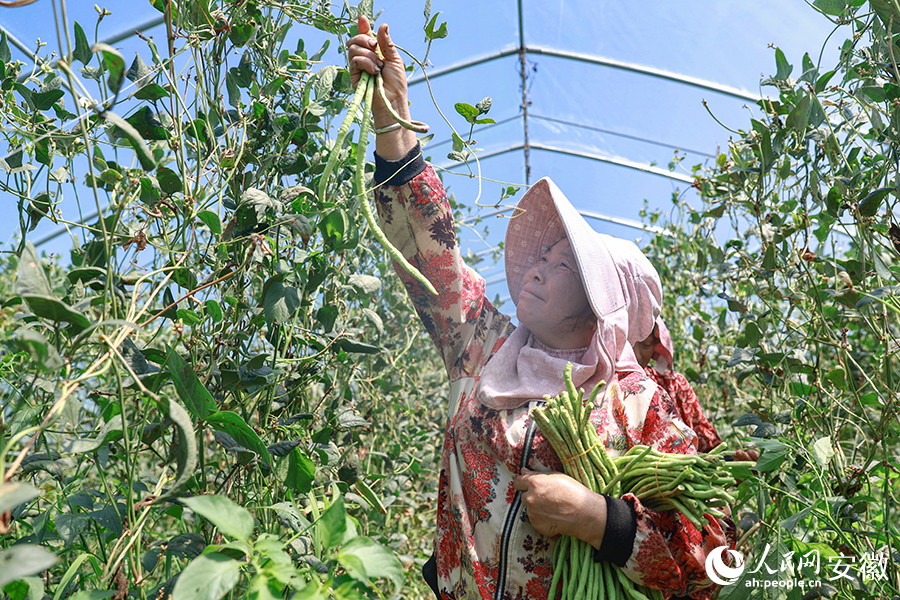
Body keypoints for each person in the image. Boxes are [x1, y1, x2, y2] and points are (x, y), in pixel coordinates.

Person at [347, 16, 735, 600]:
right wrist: (392, 115)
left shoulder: (636, 407)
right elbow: (432, 252)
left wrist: (598, 518)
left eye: (558, 265)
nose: (533, 268)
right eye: (540, 256)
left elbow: (714, 555)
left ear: (596, 313)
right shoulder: (485, 344)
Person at [633, 319, 759, 462]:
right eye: (626, 344)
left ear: (656, 346)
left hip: (685, 479)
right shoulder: (605, 389)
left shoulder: (673, 385)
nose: (635, 356)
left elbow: (708, 447)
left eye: (646, 344)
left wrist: (733, 465)